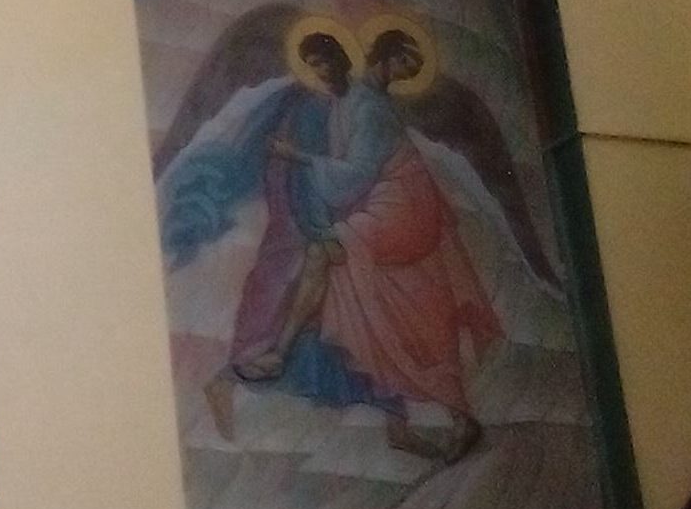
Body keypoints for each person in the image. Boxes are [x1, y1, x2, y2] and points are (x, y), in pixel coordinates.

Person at [192, 28, 501, 462]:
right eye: (406, 61)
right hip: (391, 201)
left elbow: (355, 176)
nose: (408, 72)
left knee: (323, 254)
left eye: (413, 66)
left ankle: (279, 354)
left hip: (403, 206)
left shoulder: (368, 107)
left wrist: (296, 156)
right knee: (389, 309)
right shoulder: (350, 100)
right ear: (386, 55)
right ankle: (432, 421)